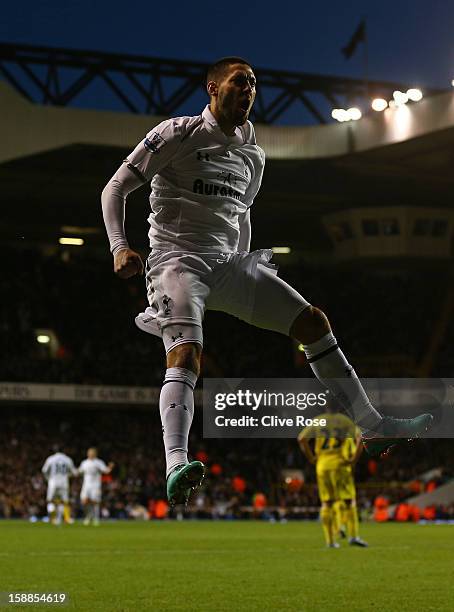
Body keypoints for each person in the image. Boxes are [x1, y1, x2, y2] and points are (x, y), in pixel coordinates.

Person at [101, 56, 432, 506]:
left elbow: (242, 213)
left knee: (313, 322)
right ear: (213, 89)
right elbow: (115, 188)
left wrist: (250, 270)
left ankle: (370, 424)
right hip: (177, 263)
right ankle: (176, 463)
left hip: (229, 265)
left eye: (254, 84)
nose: (249, 90)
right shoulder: (176, 133)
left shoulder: (252, 152)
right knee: (186, 353)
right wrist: (121, 245)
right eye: (239, 82)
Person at [298, 406, 368, 548]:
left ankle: (330, 541)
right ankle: (353, 536)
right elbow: (360, 438)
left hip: (322, 466)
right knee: (349, 501)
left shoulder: (318, 421)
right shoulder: (345, 421)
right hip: (341, 465)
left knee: (327, 503)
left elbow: (301, 439)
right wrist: (353, 460)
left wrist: (311, 458)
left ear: (325, 406)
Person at [41, 447, 77, 525]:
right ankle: (65, 519)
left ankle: (52, 518)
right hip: (64, 482)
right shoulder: (67, 459)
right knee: (64, 501)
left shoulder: (50, 459)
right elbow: (74, 472)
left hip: (53, 482)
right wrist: (67, 475)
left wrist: (48, 478)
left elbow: (44, 470)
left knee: (51, 501)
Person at [78, 448, 114, 526]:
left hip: (95, 485)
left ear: (95, 454)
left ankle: (96, 518)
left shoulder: (98, 462)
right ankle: (89, 516)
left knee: (95, 502)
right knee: (84, 501)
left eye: (92, 453)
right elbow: (79, 471)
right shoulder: (84, 463)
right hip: (86, 485)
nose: (90, 454)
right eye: (89, 453)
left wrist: (110, 467)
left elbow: (106, 471)